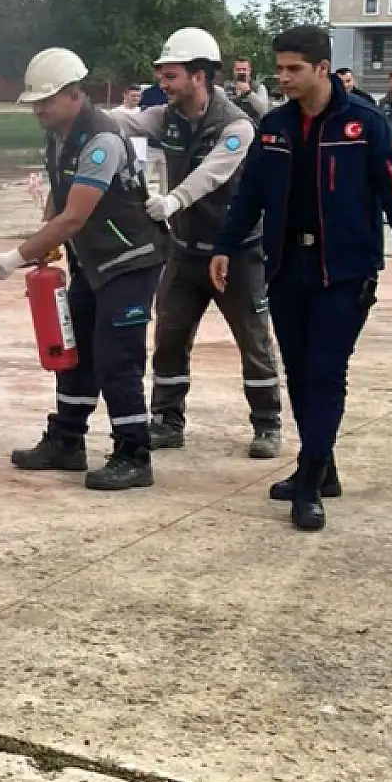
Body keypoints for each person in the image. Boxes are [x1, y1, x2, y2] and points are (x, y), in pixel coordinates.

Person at [211, 25, 392, 531]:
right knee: (299, 370)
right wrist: (226, 245)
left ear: (322, 69)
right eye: (280, 69)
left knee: (326, 373)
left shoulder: (366, 124)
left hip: (345, 270)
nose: (283, 78)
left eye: (294, 69)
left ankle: (308, 485)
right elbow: (250, 195)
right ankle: (323, 466)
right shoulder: (275, 127)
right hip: (288, 268)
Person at [0, 48, 168, 491]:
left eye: (47, 100)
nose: (39, 109)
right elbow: (59, 197)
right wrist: (45, 236)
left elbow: (75, 216)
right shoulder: (59, 135)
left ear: (75, 95)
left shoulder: (101, 139)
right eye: (36, 102)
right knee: (74, 349)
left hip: (128, 261)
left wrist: (18, 255)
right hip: (92, 262)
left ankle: (133, 453)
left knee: (116, 357)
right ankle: (67, 440)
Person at [111, 27, 282, 459]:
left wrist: (171, 201)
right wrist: (79, 109)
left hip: (237, 253)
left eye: (170, 77)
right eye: (161, 77)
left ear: (199, 76)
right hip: (185, 251)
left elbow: (215, 172)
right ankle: (168, 421)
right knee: (169, 337)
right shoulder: (165, 116)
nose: (162, 86)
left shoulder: (236, 125)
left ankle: (267, 424)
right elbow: (125, 120)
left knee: (254, 340)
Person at [228, 59, 272, 125]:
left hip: (254, 129)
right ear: (234, 70)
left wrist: (249, 93)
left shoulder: (259, 87)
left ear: (249, 70)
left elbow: (264, 110)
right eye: (238, 69)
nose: (241, 72)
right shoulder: (227, 88)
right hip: (232, 128)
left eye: (244, 69)